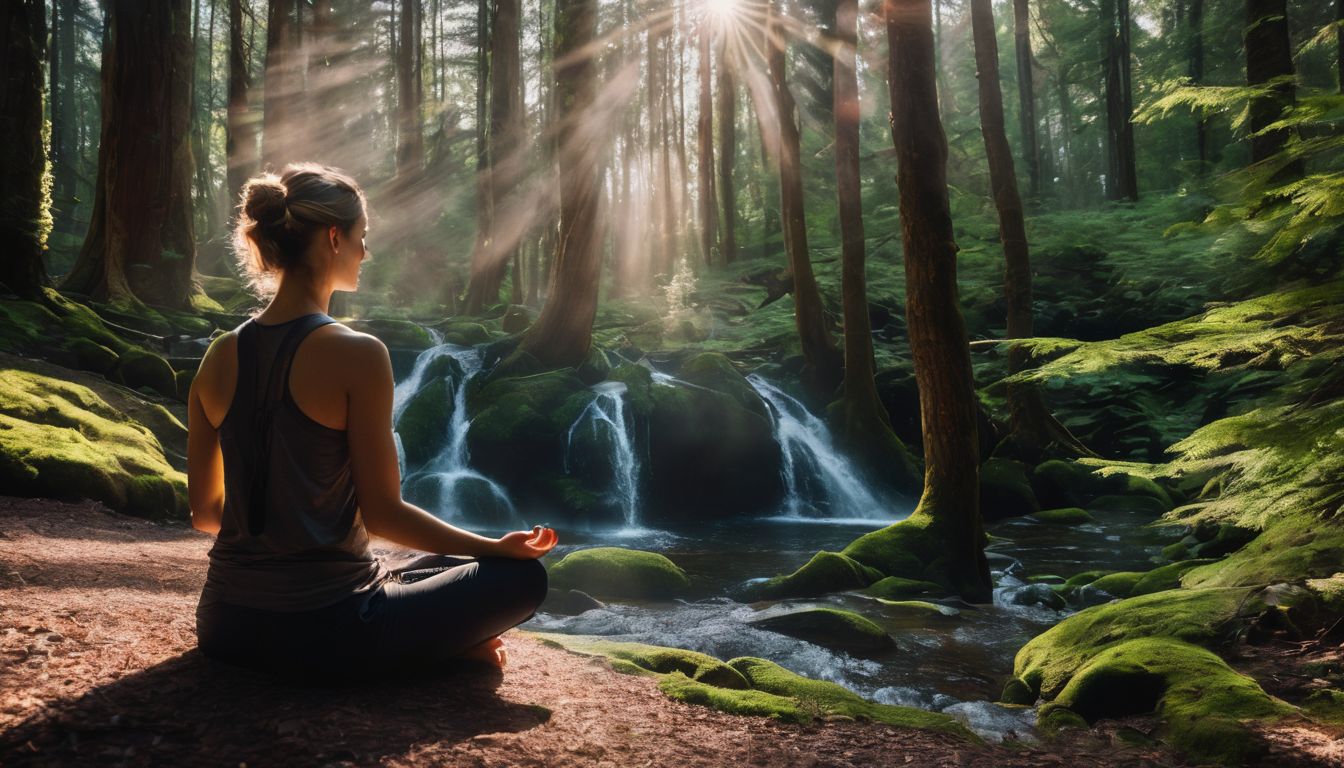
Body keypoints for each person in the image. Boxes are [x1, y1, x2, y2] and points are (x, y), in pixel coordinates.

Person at [187, 163, 556, 677]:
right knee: (520, 578)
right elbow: (384, 516)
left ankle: (428, 639)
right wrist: (495, 546)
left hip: (225, 626)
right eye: (363, 237)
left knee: (437, 567)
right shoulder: (358, 353)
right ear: (334, 237)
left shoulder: (218, 355)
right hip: (330, 629)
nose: (367, 252)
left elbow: (206, 513)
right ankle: (437, 651)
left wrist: (275, 540)